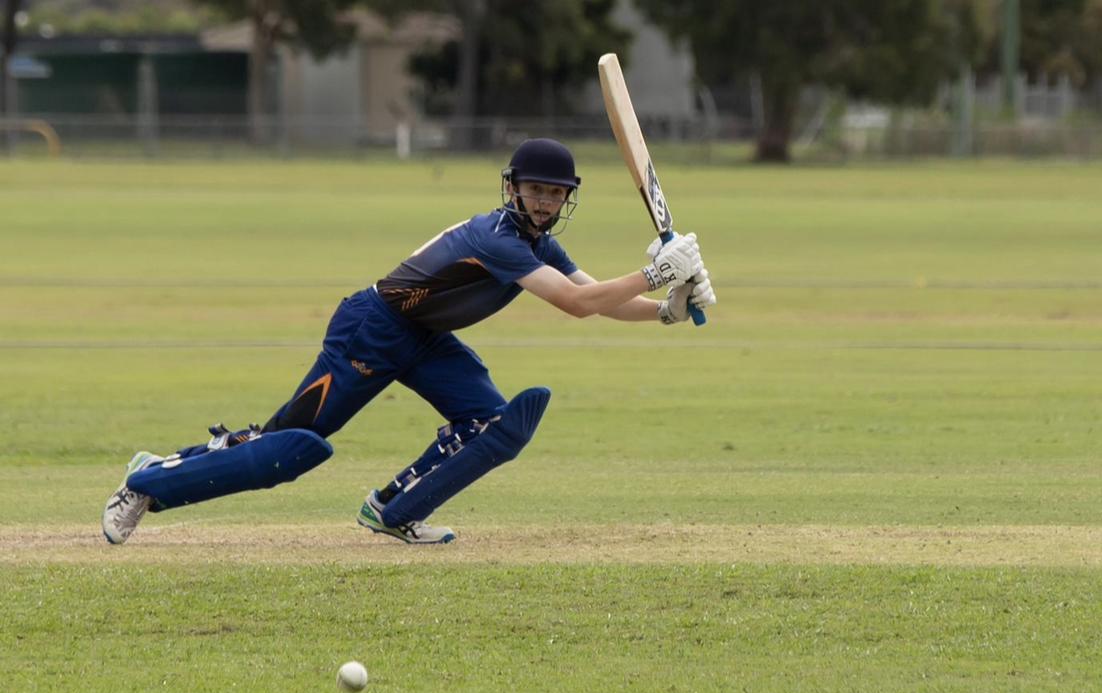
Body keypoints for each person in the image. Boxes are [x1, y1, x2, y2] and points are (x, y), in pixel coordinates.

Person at [101, 138, 716, 545]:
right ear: (512, 188)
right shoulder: (494, 237)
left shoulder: (540, 244)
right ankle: (150, 481)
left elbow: (598, 299)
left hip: (426, 340)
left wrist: (665, 308)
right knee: (290, 448)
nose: (545, 201)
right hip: (371, 330)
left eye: (555, 193)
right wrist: (657, 270)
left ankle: (394, 510)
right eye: (534, 189)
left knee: (489, 423)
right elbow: (577, 305)